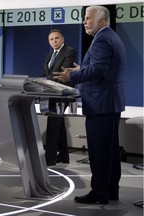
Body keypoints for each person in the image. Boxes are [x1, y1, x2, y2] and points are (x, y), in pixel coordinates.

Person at [53, 6, 126, 204]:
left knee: (99, 150)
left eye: (88, 18)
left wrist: (73, 75)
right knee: (109, 150)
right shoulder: (112, 37)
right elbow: (101, 68)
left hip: (100, 102)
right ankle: (111, 190)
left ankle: (99, 192)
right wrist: (83, 69)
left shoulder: (102, 39)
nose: (84, 22)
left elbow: (99, 70)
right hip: (109, 101)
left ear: (101, 21)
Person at [43, 29, 77, 166]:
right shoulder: (49, 55)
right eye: (51, 39)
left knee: (53, 125)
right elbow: (47, 74)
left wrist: (45, 81)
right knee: (59, 125)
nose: (54, 41)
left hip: (63, 94)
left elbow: (62, 73)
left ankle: (48, 159)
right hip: (52, 94)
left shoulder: (69, 51)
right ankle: (64, 156)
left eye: (57, 38)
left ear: (62, 39)